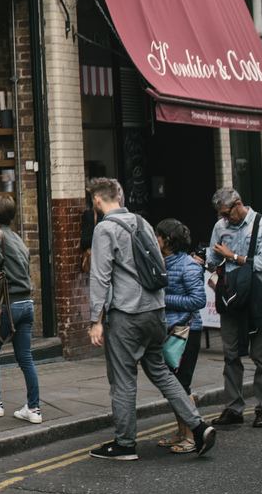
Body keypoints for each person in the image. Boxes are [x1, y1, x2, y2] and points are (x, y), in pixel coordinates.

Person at [86, 177, 216, 460]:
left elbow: (100, 276)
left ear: (97, 199)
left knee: (123, 379)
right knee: (161, 372)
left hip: (127, 315)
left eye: (92, 200)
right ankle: (198, 426)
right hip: (156, 313)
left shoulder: (105, 228)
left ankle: (124, 444)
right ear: (119, 196)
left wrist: (95, 319)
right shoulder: (143, 223)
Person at [205, 187, 262, 429]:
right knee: (231, 355)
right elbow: (213, 259)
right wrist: (207, 259)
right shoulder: (220, 227)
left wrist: (232, 256)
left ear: (238, 204)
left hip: (256, 297)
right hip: (230, 297)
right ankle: (234, 408)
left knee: (261, 355)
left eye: (227, 213)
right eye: (221, 215)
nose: (224, 219)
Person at [0, 194, 42, 424]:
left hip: (8, 305)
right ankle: (33, 408)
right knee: (25, 357)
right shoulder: (17, 237)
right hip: (26, 304)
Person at [155, 218, 205, 454]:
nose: (155, 239)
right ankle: (181, 431)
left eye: (158, 235)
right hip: (169, 331)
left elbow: (198, 300)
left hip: (187, 332)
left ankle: (192, 437)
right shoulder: (162, 263)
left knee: (182, 385)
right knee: (174, 385)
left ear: (167, 240)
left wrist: (163, 300)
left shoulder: (189, 266)